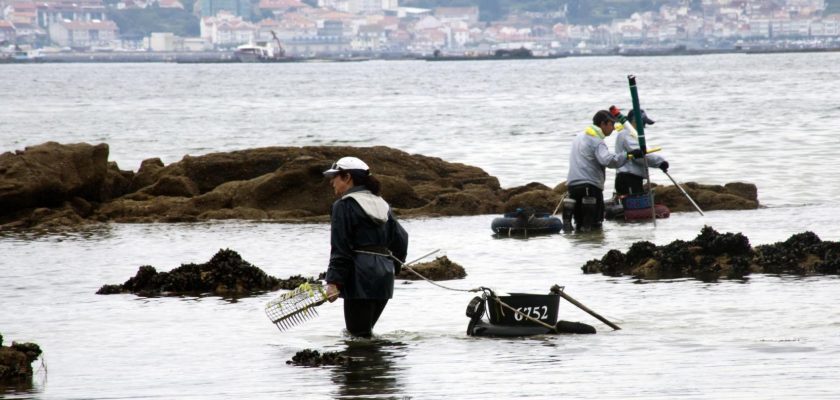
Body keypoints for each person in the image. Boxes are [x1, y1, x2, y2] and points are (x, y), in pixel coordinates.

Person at [322, 156, 409, 338]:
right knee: (365, 334)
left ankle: (363, 366)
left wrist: (334, 282)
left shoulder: (343, 206)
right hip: (384, 277)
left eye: (335, 176)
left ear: (347, 177)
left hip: (360, 277)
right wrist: (395, 267)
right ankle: (375, 366)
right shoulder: (382, 204)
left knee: (357, 337)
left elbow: (340, 248)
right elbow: (401, 238)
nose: (332, 181)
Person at [564, 110, 644, 231]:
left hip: (573, 186)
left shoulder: (579, 136)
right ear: (603, 124)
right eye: (611, 124)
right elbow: (607, 161)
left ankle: (579, 247)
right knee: (594, 225)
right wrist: (627, 155)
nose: (613, 128)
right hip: (590, 186)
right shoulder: (596, 141)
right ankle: (593, 248)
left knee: (580, 224)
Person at [610, 106, 669, 197]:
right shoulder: (628, 135)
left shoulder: (633, 134)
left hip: (631, 178)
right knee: (633, 207)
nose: (644, 126)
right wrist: (660, 162)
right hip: (628, 178)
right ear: (635, 121)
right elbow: (639, 156)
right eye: (643, 123)